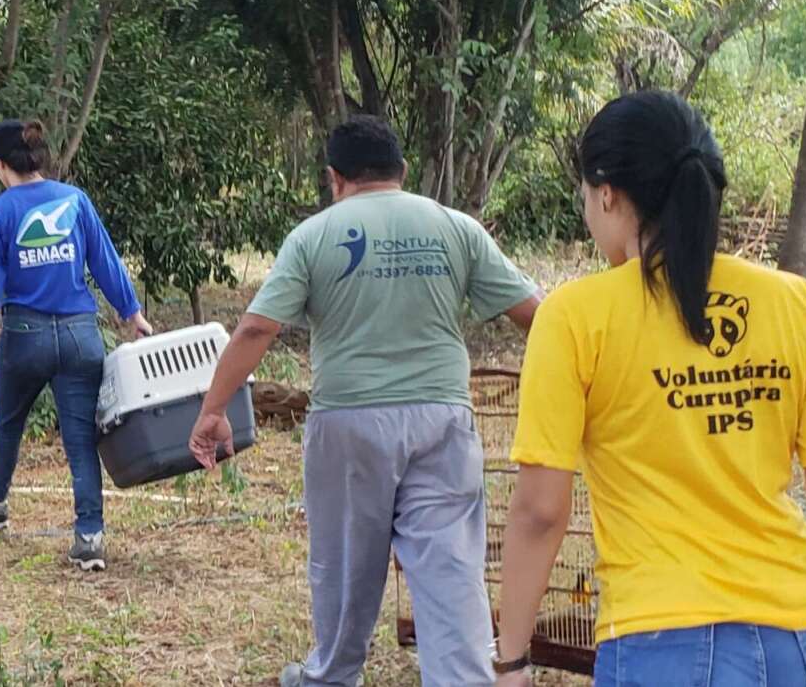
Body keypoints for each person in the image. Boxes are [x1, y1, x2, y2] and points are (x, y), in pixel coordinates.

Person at [493, 90, 806, 687]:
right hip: (798, 638)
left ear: (607, 194)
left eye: (585, 198)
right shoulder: (795, 305)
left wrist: (511, 660)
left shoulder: (575, 318)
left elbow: (540, 512)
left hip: (661, 642)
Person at [188, 115, 542, 687]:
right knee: (451, 567)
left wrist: (213, 410)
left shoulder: (315, 236)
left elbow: (256, 330)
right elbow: (536, 316)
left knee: (346, 564)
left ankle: (331, 676)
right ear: (401, 170)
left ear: (335, 178)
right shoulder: (456, 228)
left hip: (347, 422)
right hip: (443, 419)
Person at [0, 119, 154, 573]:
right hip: (82, 334)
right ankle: (89, 537)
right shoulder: (75, 201)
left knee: (7, 423)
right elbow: (105, 261)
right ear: (38, 159)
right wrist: (132, 314)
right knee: (80, 438)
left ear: (2, 166)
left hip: (25, 335)